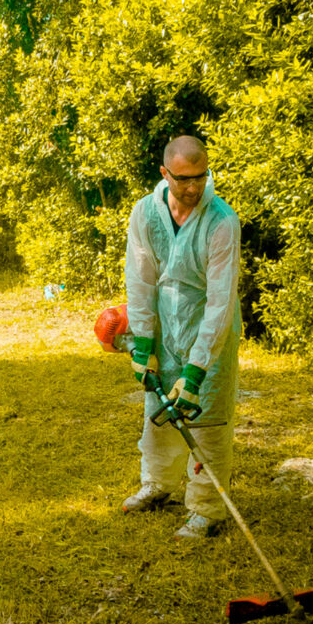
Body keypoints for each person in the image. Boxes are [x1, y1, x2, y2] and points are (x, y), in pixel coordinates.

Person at [122, 135, 241, 539]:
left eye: (201, 178)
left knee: (204, 415)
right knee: (157, 408)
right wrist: (143, 342)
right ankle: (158, 484)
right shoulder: (145, 213)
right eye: (183, 179)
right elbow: (140, 280)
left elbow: (220, 301)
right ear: (165, 173)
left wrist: (195, 371)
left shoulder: (222, 221)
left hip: (209, 326)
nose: (193, 188)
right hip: (163, 323)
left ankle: (207, 508)